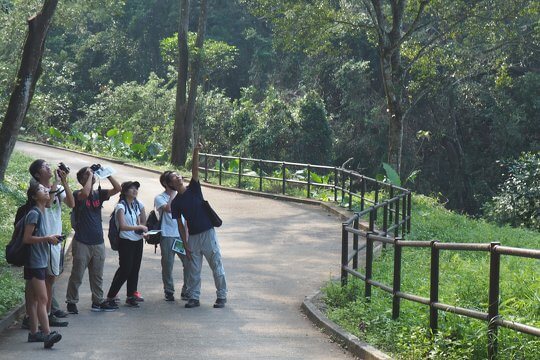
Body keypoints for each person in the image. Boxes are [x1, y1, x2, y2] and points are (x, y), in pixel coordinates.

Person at [171, 142, 228, 308]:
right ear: (171, 184)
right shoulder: (176, 203)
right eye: (174, 177)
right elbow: (180, 225)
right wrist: (185, 244)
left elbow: (195, 170)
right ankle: (194, 297)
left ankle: (222, 296)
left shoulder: (194, 188)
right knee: (194, 269)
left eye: (178, 174)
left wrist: (196, 151)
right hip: (193, 237)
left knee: (216, 265)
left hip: (207, 232)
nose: (178, 176)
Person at [24, 160, 74, 329]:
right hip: (42, 240)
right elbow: (46, 204)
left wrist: (64, 182)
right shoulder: (37, 189)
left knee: (51, 279)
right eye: (44, 167)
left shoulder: (55, 187)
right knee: (36, 281)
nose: (49, 168)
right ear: (38, 174)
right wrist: (56, 184)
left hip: (55, 239)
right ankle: (32, 318)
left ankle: (48, 314)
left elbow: (72, 204)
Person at [65, 166, 121, 313]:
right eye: (87, 174)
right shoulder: (78, 193)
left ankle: (98, 301)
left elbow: (118, 188)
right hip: (82, 241)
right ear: (82, 179)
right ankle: (71, 301)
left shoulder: (99, 194)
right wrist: (90, 175)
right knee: (77, 274)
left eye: (91, 173)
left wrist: (107, 174)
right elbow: (84, 193)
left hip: (98, 242)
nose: (91, 175)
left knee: (97, 275)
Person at [23, 179, 63, 348]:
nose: (46, 191)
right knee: (42, 298)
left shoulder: (40, 211)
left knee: (32, 299)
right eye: (41, 189)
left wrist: (50, 238)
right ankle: (47, 334)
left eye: (46, 189)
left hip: (37, 260)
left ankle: (34, 333)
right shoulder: (34, 213)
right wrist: (47, 238)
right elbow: (27, 238)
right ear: (34, 196)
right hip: (35, 262)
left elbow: (35, 237)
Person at [105, 181, 147, 307]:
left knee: (135, 269)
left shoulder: (135, 205)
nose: (135, 190)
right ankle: (111, 296)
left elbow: (141, 221)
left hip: (137, 240)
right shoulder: (121, 207)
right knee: (125, 269)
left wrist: (142, 230)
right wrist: (138, 227)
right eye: (131, 188)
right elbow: (122, 226)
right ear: (124, 191)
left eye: (136, 188)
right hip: (126, 241)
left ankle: (131, 295)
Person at [155, 171, 190, 302]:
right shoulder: (160, 198)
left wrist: (186, 234)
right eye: (173, 179)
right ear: (166, 183)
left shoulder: (183, 196)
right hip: (167, 235)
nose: (177, 180)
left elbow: (187, 216)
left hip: (180, 236)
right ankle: (169, 291)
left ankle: (186, 290)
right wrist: (174, 193)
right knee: (167, 264)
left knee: (188, 262)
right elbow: (169, 208)